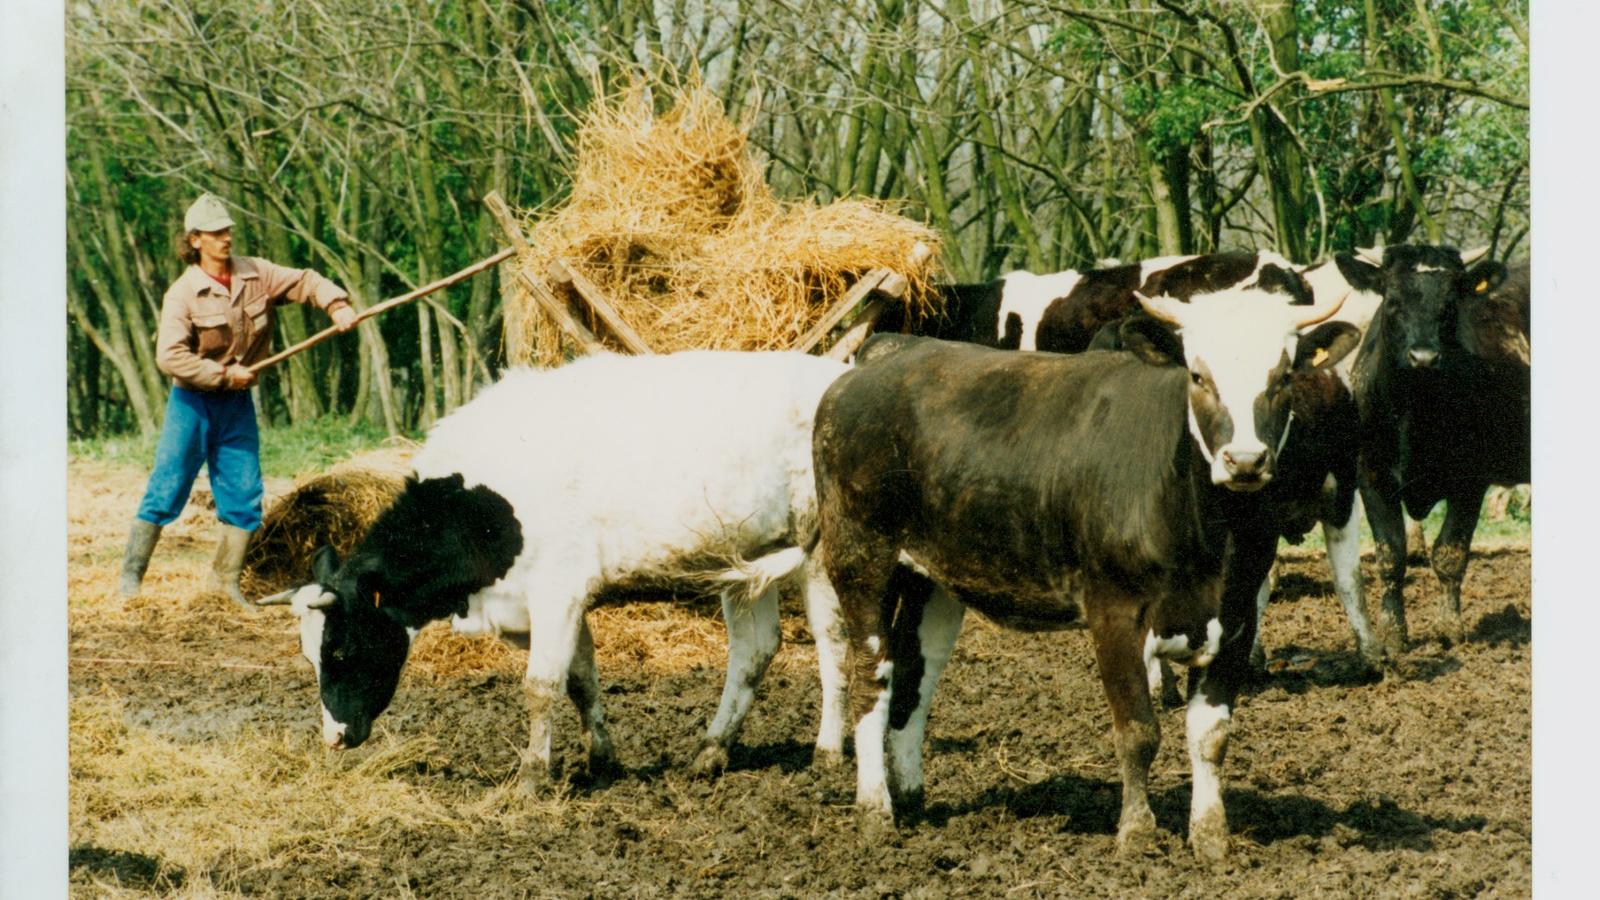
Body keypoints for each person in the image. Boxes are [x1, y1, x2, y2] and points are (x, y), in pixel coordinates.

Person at [117, 192, 357, 606]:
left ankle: (224, 585)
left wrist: (335, 304)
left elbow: (304, 280)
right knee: (167, 488)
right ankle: (130, 582)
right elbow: (170, 356)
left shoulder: (255, 274)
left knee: (244, 493)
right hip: (192, 404)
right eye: (216, 233)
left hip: (236, 407)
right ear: (195, 241)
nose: (226, 238)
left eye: (228, 230)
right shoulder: (183, 294)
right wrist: (224, 374)